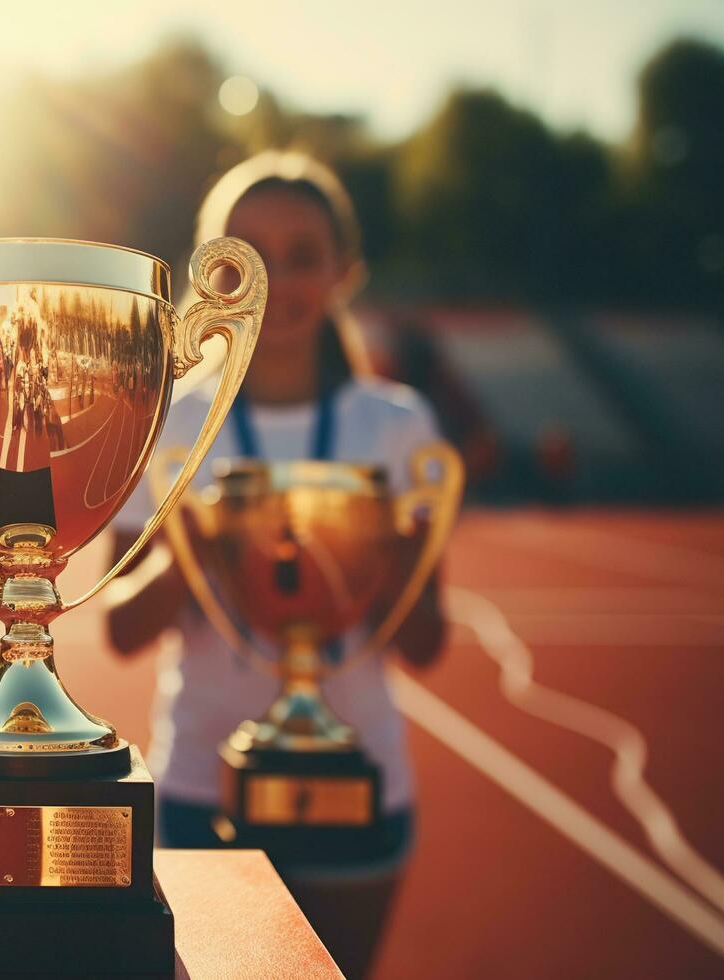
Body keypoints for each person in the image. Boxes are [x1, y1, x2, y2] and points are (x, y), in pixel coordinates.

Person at [106, 151, 450, 979]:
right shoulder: (166, 421)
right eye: (248, 256)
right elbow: (122, 627)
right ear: (212, 272)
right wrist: (206, 542)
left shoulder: (396, 424)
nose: (275, 282)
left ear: (345, 273)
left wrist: (388, 552)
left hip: (360, 776)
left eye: (303, 256)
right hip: (200, 784)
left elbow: (428, 644)